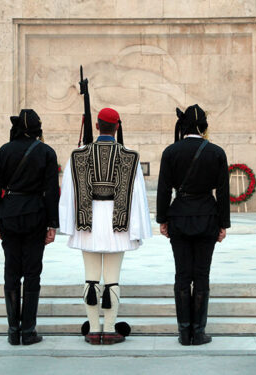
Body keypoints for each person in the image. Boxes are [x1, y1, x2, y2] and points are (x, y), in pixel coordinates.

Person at [59, 107, 152, 345]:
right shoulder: (130, 156)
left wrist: (69, 224)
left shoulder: (78, 154)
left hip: (87, 222)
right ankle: (109, 329)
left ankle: (92, 329)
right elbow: (137, 195)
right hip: (117, 225)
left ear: (97, 126)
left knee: (90, 279)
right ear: (117, 127)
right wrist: (138, 228)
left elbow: (69, 193)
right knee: (112, 279)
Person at [156, 104, 230, 346]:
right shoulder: (216, 152)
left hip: (179, 217)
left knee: (181, 275)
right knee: (201, 276)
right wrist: (223, 224)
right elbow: (223, 191)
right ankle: (198, 332)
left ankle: (183, 331)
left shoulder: (171, 152)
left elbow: (164, 189)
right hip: (207, 217)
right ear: (203, 127)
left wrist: (162, 219)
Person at [0, 109, 60, 346]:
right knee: (32, 273)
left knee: (11, 270)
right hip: (35, 215)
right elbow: (51, 191)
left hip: (9, 213)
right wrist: (52, 224)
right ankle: (28, 331)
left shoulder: (5, 150)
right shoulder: (46, 152)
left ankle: (12, 331)